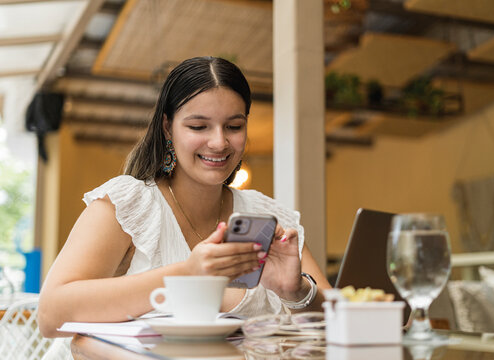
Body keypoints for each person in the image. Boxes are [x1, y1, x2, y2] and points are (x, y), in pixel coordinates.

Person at [38, 56, 331, 338]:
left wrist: (296, 292)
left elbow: (337, 326)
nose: (219, 142)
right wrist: (186, 274)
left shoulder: (268, 217)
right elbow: (51, 317)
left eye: (234, 126)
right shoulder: (128, 205)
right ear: (168, 127)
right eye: (198, 126)